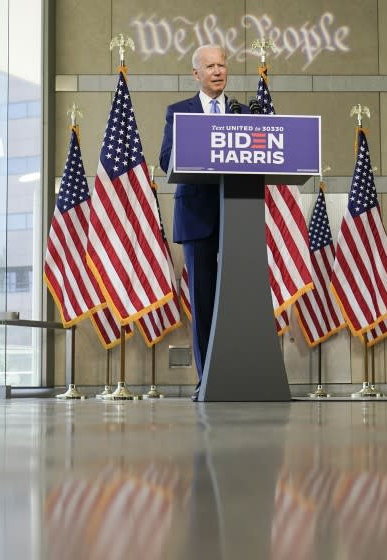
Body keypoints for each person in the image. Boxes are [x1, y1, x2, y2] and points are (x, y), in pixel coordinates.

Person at [159, 44, 245, 401]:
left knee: (241, 301)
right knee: (205, 301)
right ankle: (207, 378)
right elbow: (166, 160)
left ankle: (241, 374)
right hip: (197, 217)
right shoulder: (179, 112)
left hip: (239, 214)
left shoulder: (243, 112)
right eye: (210, 66)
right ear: (196, 73)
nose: (218, 71)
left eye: (222, 65)